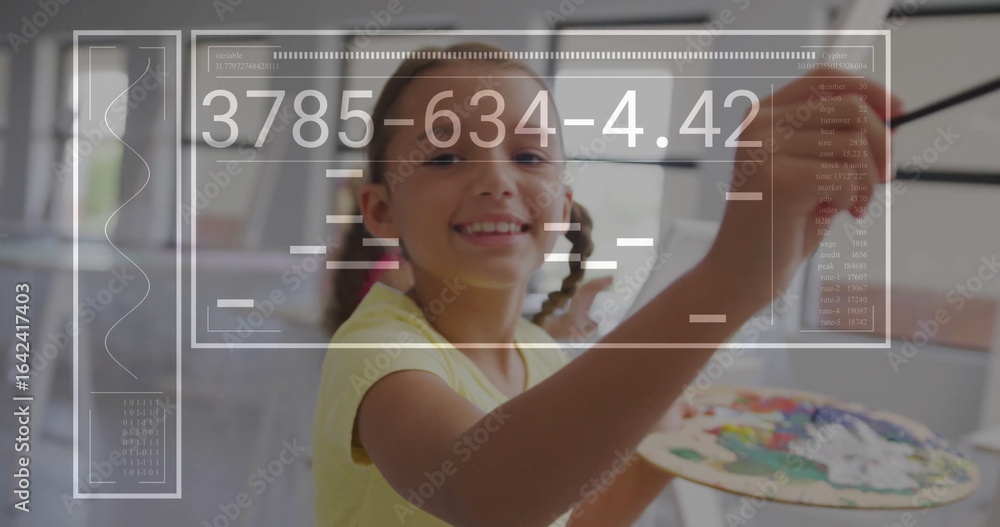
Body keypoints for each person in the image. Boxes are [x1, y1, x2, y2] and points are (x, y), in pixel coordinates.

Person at [313, 42, 902, 526]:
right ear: (381, 210)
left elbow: (576, 518)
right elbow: (489, 495)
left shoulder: (541, 356)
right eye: (444, 158)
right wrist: (728, 282)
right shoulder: (377, 353)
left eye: (529, 155)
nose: (495, 178)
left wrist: (656, 443)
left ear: (563, 205)